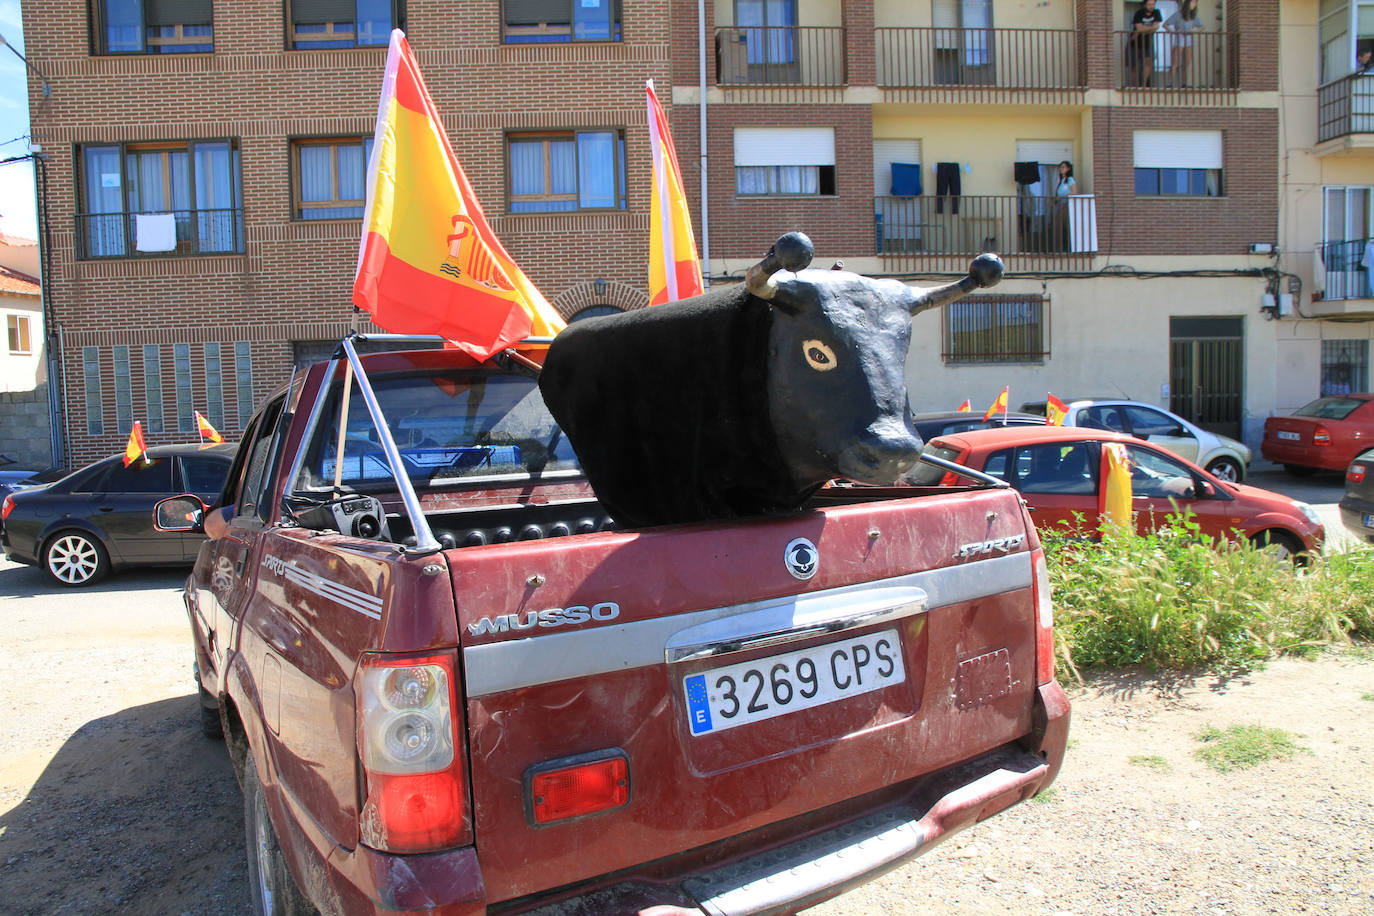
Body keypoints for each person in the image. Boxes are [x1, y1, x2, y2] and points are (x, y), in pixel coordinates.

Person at [1166, 0, 1204, 87]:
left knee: (1187, 62)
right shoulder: (1178, 14)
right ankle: (1169, 83)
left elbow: (1202, 26)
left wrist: (1194, 30)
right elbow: (1165, 24)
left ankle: (1185, 83)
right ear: (1188, 4)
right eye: (1193, 2)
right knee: (1175, 62)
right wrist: (1173, 32)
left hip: (1189, 39)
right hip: (1179, 38)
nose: (1194, 4)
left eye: (1195, 3)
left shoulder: (1193, 16)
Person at [1128, 0, 1164, 87]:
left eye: (1153, 4)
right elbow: (1139, 28)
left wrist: (1144, 29)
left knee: (1148, 61)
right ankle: (1134, 85)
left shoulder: (1156, 12)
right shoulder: (1139, 13)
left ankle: (1143, 84)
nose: (1151, 6)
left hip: (1148, 40)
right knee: (1134, 65)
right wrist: (1150, 28)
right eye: (1149, 4)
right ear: (1145, 5)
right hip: (1135, 40)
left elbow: (1156, 27)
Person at [1053, 161, 1076, 251]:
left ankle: (1069, 248)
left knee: (1067, 227)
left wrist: (1062, 197)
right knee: (1058, 227)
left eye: (1063, 167)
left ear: (1068, 169)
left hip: (1067, 205)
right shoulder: (1062, 181)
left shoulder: (1070, 179)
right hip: (1060, 205)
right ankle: (1059, 249)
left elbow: (1074, 192)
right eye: (1060, 167)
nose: (1061, 169)